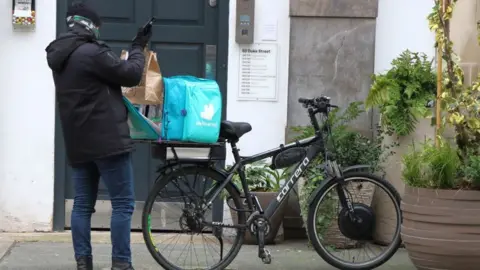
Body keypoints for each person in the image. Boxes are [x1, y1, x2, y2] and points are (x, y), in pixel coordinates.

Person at [45, 1, 152, 269]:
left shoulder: (60, 56)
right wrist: (138, 46)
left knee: (82, 206)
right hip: (108, 141)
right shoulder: (92, 53)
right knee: (123, 204)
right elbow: (130, 75)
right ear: (90, 25)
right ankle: (121, 264)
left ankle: (84, 263)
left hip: (78, 142)